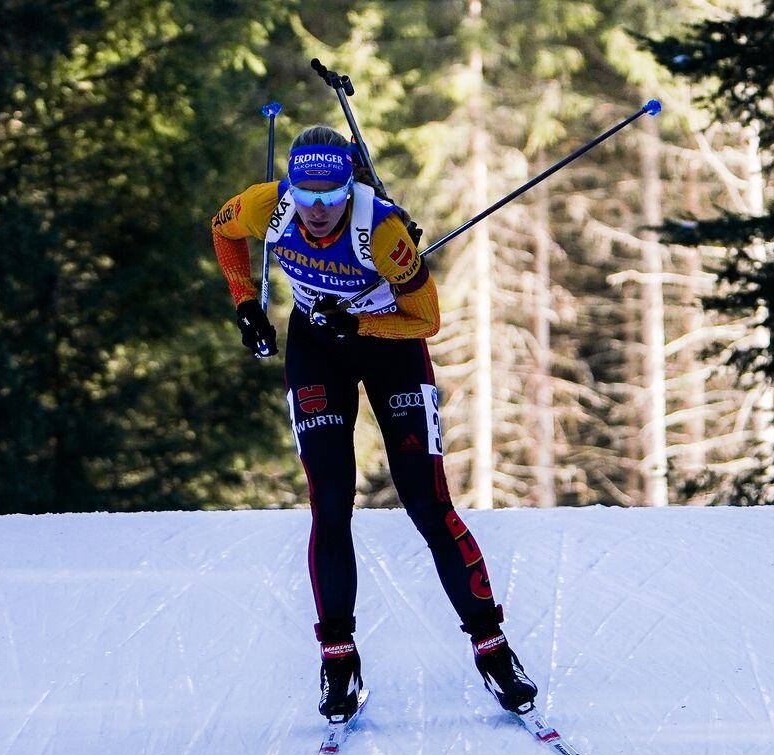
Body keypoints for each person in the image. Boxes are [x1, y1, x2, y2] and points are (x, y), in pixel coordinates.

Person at [209, 124, 538, 723]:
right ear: (289, 188)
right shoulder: (266, 204)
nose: (315, 212)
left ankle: (494, 651)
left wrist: (359, 327)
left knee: (426, 503)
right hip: (316, 350)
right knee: (330, 503)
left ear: (348, 189)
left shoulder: (381, 233)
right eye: (304, 197)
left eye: (330, 198)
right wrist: (247, 305)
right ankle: (338, 663)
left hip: (390, 347)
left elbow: (427, 319)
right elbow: (222, 230)